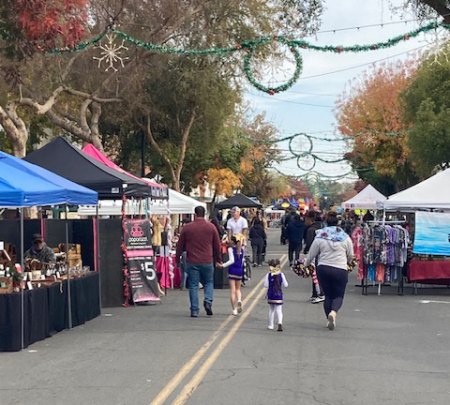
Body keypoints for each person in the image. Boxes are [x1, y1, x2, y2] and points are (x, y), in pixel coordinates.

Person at [304, 211, 354, 331]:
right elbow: (351, 255)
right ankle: (334, 312)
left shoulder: (320, 236)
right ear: (338, 224)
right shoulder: (345, 238)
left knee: (328, 296)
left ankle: (329, 318)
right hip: (340, 269)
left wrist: (305, 264)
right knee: (338, 295)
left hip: (323, 268)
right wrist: (348, 261)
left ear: (326, 223)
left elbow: (312, 254)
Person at [176, 206, 222, 318]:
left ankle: (194, 310)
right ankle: (208, 300)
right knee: (209, 282)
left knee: (193, 285)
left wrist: (177, 260)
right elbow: (217, 245)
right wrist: (218, 260)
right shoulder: (211, 227)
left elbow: (180, 245)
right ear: (204, 213)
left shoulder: (187, 228)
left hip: (192, 260)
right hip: (207, 260)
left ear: (195, 214)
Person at [218, 234, 245, 315]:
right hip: (239, 270)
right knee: (238, 289)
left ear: (232, 241)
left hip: (232, 270)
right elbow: (242, 260)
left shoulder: (230, 249)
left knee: (232, 290)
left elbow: (231, 260)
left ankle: (234, 309)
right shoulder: (242, 250)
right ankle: (239, 300)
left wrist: (223, 265)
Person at [304, 210, 325, 304]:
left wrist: (307, 253)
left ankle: (317, 294)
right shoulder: (322, 228)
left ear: (310, 219)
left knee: (314, 274)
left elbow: (309, 244)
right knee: (320, 275)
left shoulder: (311, 230)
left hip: (315, 255)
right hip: (324, 254)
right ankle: (317, 293)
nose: (305, 221)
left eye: (306, 219)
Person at [264, 258, 288, 331]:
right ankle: (280, 322)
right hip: (278, 293)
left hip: (271, 294)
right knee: (279, 310)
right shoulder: (281, 274)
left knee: (271, 310)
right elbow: (286, 284)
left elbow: (265, 285)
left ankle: (271, 325)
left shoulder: (268, 274)